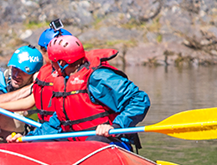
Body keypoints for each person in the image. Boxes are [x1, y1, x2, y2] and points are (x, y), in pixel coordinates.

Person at [15, 34, 150, 148]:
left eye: (53, 62)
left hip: (109, 140)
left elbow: (139, 100)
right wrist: (28, 138)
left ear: (62, 63)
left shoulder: (98, 77)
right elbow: (57, 122)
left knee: (94, 145)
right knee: (44, 144)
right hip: (77, 143)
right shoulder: (64, 82)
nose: (51, 66)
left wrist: (115, 126)